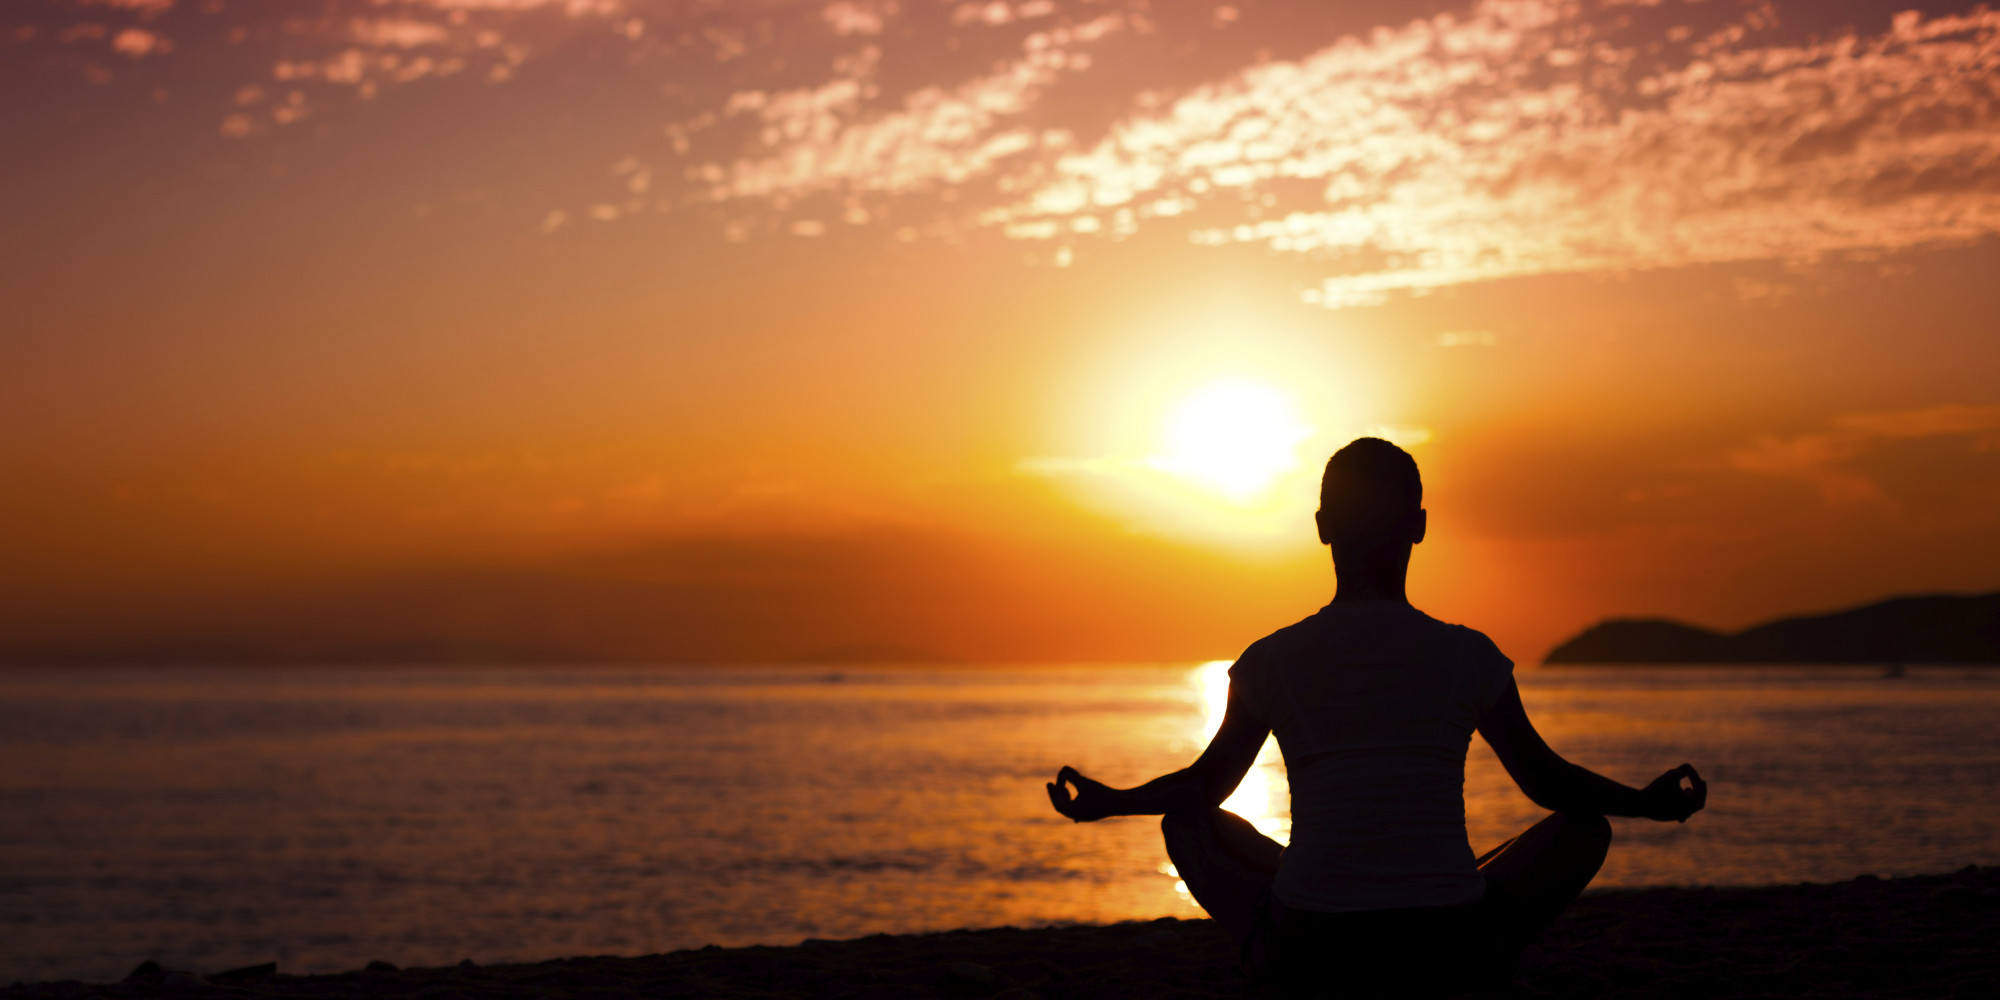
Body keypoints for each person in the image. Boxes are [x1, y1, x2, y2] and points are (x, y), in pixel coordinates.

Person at [1046, 437, 1707, 997]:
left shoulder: (1270, 661)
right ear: (1417, 526)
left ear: (1323, 527)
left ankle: (1268, 958)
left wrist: (1110, 802)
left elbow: (1202, 788)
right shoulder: (1468, 656)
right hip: (1451, 948)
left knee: (1190, 826)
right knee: (1583, 829)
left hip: (1312, 952)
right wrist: (1647, 804)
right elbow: (1545, 780)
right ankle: (1485, 952)